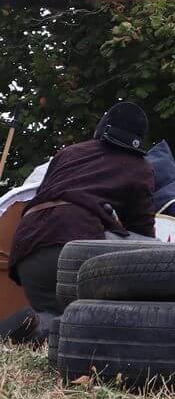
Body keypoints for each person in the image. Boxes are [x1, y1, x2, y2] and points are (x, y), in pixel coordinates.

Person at [8, 102, 156, 316]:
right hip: (75, 246)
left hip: (26, 252)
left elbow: (45, 195)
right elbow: (142, 229)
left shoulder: (67, 153)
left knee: (54, 323)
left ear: (102, 127)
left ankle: (34, 327)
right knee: (157, 253)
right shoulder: (140, 167)